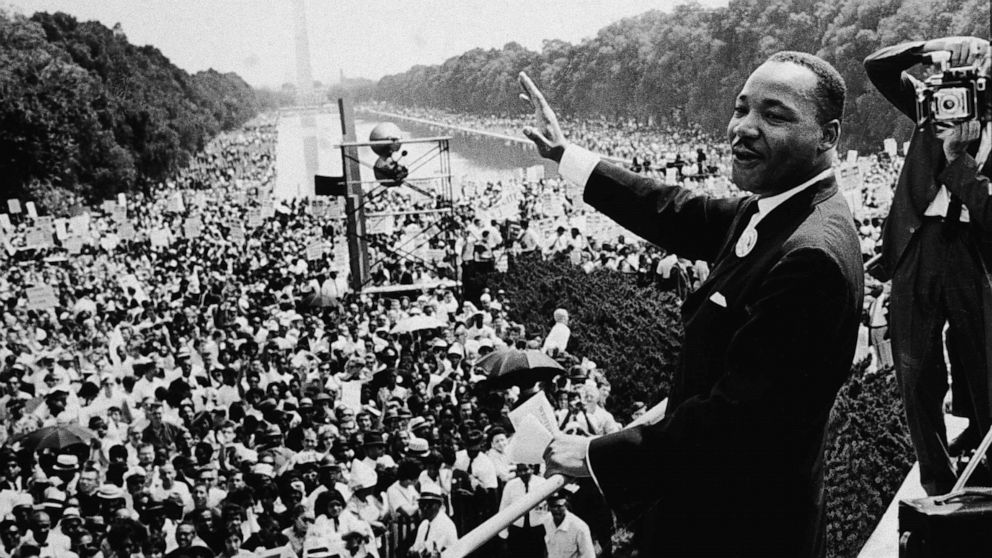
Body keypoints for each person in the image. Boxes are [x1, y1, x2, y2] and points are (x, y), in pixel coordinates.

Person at [524, 50, 864, 557]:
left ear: (828, 137)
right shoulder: (775, 209)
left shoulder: (809, 255)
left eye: (774, 115)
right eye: (741, 108)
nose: (744, 127)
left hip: (739, 528)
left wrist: (597, 454)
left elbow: (737, 421)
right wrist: (564, 154)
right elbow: (670, 210)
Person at [864, 36, 992, 496]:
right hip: (918, 243)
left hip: (973, 250)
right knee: (915, 370)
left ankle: (982, 459)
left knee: (982, 364)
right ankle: (936, 477)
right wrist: (936, 47)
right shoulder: (931, 103)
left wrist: (958, 159)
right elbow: (877, 66)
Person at [497, 464, 547, 558]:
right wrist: (503, 535)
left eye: (525, 470)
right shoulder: (511, 485)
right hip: (517, 531)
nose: (522, 473)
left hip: (537, 530)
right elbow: (503, 510)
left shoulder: (542, 483)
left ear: (532, 469)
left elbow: (547, 510)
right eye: (519, 471)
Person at [542, 492, 594, 558]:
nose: (556, 510)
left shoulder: (580, 527)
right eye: (553, 506)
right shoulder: (546, 521)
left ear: (566, 505)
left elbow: (589, 556)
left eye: (559, 506)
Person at [408, 488, 456, 558]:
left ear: (439, 505)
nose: (425, 508)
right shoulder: (424, 524)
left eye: (429, 505)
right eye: (422, 504)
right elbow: (416, 548)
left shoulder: (445, 524)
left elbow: (431, 553)